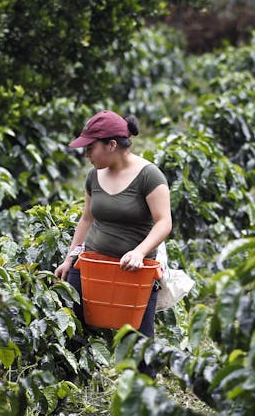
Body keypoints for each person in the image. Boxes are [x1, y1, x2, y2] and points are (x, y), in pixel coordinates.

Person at [54, 110, 172, 339]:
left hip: (133, 271)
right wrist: (69, 259)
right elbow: (87, 219)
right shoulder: (93, 176)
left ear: (111, 145)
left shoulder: (149, 176)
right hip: (92, 265)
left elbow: (164, 222)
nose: (87, 154)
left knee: (139, 341)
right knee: (72, 331)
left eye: (91, 148)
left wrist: (139, 252)